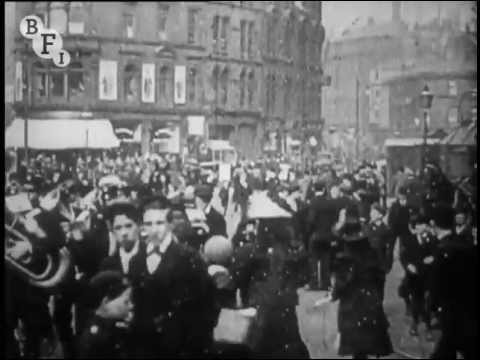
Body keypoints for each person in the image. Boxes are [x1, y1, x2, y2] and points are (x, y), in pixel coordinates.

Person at [132, 198, 217, 358]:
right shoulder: (137, 260)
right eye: (148, 224)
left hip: (182, 343)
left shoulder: (188, 257)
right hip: (148, 345)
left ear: (170, 225)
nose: (154, 229)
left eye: (159, 223)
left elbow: (206, 302)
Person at [328, 204, 393, 359]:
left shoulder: (345, 259)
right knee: (368, 339)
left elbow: (343, 282)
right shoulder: (370, 255)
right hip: (370, 301)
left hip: (352, 304)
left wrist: (334, 294)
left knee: (356, 343)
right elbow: (379, 276)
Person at [429, 204, 477, 359]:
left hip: (450, 308)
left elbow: (437, 283)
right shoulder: (466, 244)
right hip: (469, 305)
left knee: (451, 343)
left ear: (435, 226)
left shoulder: (442, 250)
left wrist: (432, 305)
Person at [76, 271, 134, 358]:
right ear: (106, 302)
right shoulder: (96, 339)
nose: (131, 306)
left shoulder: (115, 326)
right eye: (126, 302)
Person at [398, 211, 436, 340]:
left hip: (428, 276)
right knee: (415, 301)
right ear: (414, 226)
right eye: (418, 225)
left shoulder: (432, 239)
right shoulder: (409, 240)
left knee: (427, 302)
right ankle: (414, 323)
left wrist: (433, 258)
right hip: (413, 276)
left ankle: (428, 326)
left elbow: (437, 253)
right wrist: (408, 266)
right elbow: (403, 256)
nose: (421, 227)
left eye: (423, 224)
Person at [365, 203, 395, 302]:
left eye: (374, 213)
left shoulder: (386, 229)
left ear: (380, 215)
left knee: (379, 287)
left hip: (380, 263)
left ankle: (379, 308)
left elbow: (390, 249)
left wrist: (388, 265)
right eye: (371, 212)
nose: (371, 214)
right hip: (368, 262)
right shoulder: (367, 228)